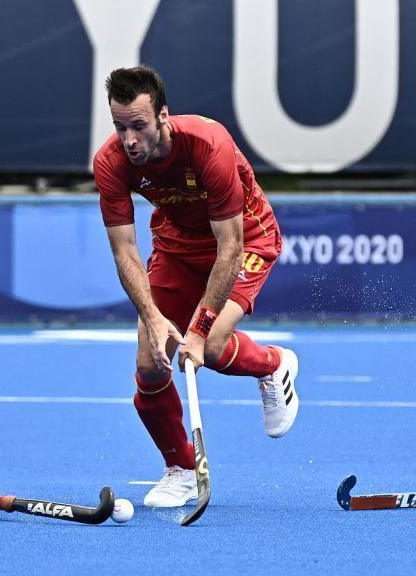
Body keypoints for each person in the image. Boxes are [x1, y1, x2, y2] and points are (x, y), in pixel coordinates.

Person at [93, 66, 300, 508]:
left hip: (247, 237)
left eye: (139, 126)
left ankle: (272, 364)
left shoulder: (209, 145)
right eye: (119, 127)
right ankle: (182, 470)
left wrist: (199, 329)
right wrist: (153, 318)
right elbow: (125, 253)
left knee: (213, 343)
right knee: (150, 366)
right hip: (175, 247)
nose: (129, 139)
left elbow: (230, 247)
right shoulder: (111, 162)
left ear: (163, 116)